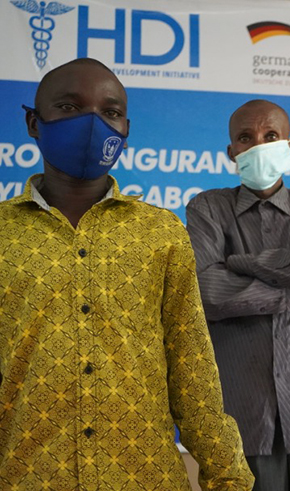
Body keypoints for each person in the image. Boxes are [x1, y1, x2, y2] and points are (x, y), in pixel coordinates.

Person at [0, 58, 253, 490]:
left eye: (110, 112)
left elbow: (191, 367)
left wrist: (227, 477)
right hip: (30, 475)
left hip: (144, 477)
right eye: (68, 107)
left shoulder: (159, 232)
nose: (92, 123)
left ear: (126, 129)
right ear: (33, 122)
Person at [185, 100, 290, 491]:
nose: (258, 146)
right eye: (245, 138)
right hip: (243, 418)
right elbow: (207, 292)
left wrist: (241, 263)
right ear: (231, 152)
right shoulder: (208, 207)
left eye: (271, 136)